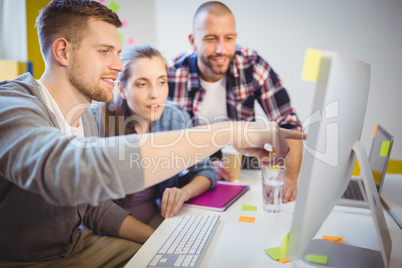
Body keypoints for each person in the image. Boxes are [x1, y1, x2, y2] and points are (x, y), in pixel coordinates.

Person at [0, 0, 303, 266]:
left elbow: (89, 203)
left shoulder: (84, 120)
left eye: (117, 52)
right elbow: (67, 169)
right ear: (63, 51)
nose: (118, 65)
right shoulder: (11, 104)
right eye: (105, 51)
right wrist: (226, 133)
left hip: (73, 246)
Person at [167, 1, 303, 203]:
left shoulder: (251, 65)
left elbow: (289, 124)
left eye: (228, 38)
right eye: (211, 39)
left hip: (245, 178)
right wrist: (203, 166)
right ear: (193, 41)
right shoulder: (171, 75)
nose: (222, 49)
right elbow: (164, 144)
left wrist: (290, 179)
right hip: (190, 181)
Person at [95, 44, 218, 226]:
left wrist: (184, 192)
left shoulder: (174, 116)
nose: (156, 94)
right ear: (122, 89)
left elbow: (206, 171)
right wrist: (152, 239)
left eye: (161, 82)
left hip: (159, 219)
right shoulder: (97, 122)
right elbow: (97, 211)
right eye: (142, 84)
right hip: (115, 230)